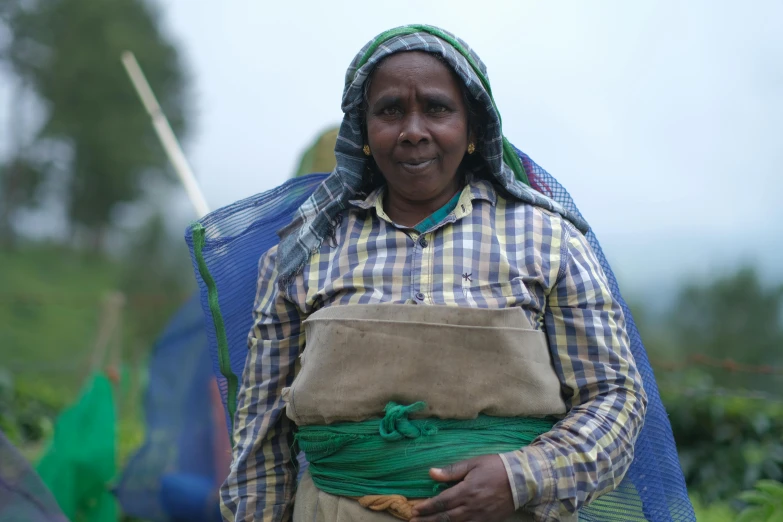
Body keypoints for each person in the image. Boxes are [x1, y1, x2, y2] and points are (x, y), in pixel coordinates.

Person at [221, 25, 647, 522]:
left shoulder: (549, 242)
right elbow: (260, 435)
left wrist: (522, 477)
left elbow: (615, 397)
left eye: (438, 108)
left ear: (473, 129)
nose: (413, 131)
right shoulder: (304, 252)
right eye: (390, 111)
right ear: (362, 132)